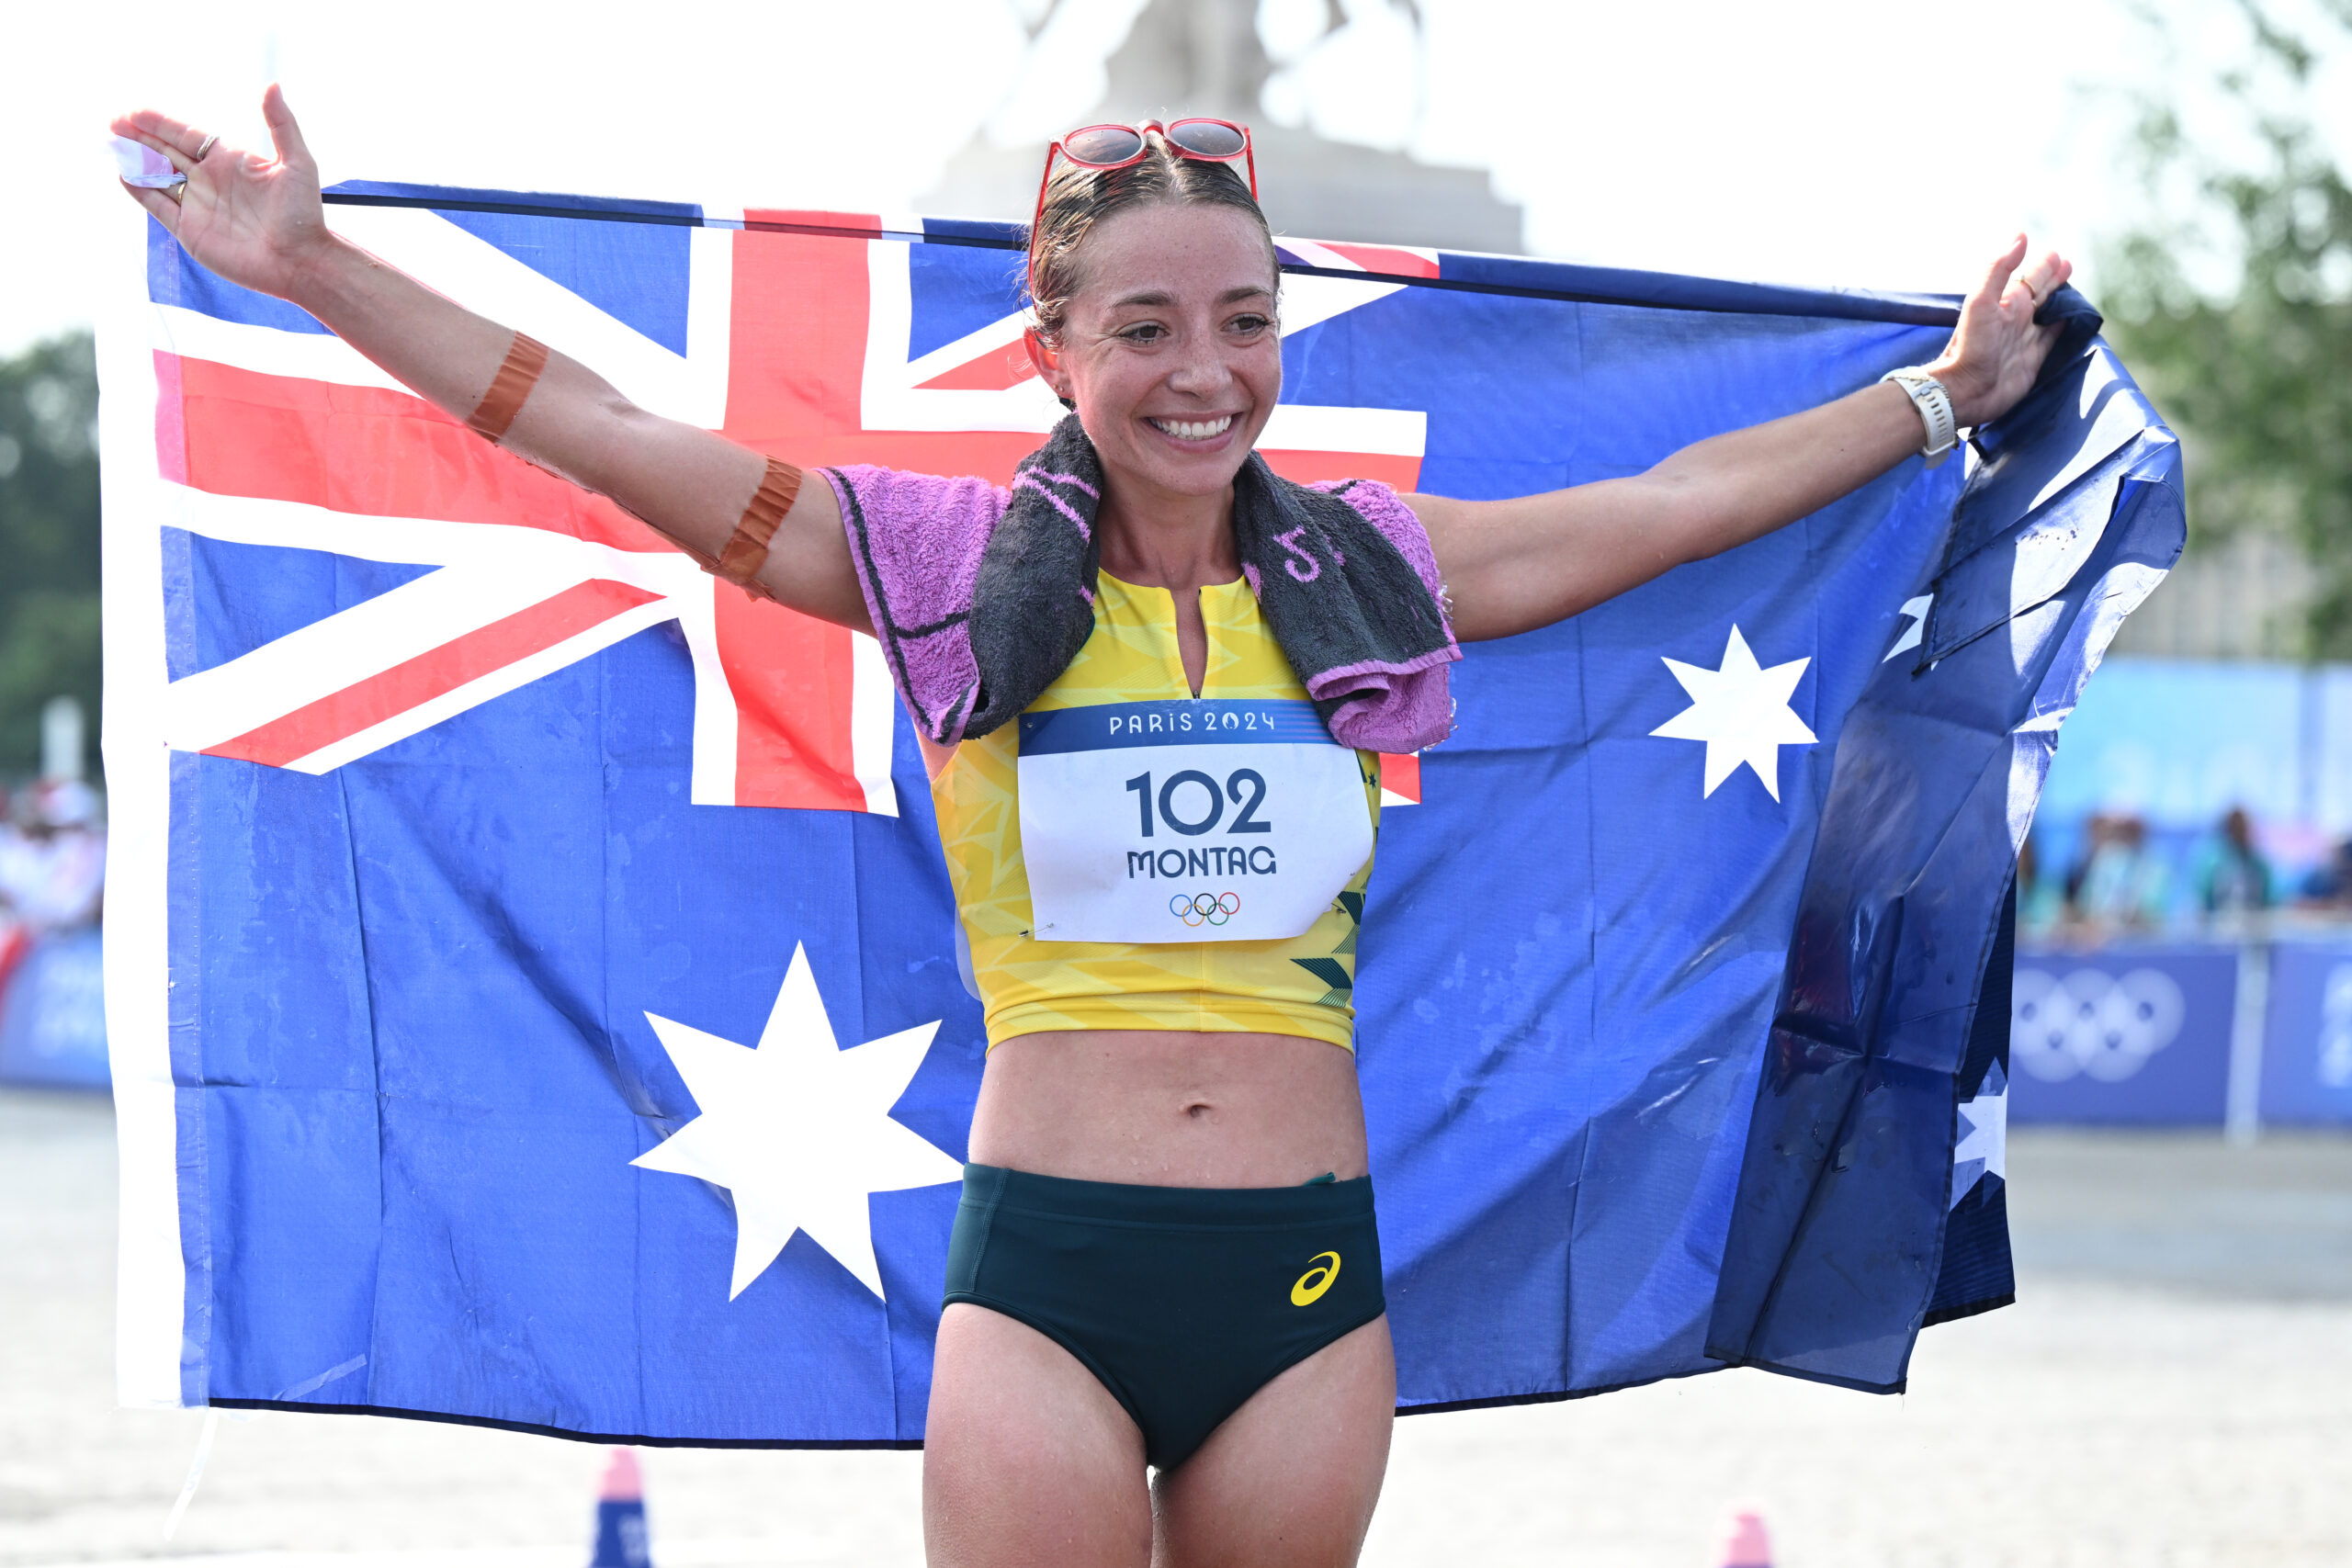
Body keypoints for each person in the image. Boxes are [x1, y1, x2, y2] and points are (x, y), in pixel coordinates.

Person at [115, 91, 2071, 1568]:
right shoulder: (936, 566)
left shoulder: (1374, 576)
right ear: (1051, 343)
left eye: (1242, 319)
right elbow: (610, 437)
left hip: (1303, 1290)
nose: (1203, 370)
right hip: (1047, 1275)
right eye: (1143, 326)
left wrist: (1940, 396)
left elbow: (1681, 498)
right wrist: (304, 264)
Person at [2191, 805, 2272, 918]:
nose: (2240, 833)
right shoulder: (2213, 863)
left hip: (2254, 925)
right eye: (2235, 828)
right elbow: (2204, 900)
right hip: (2218, 925)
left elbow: (2269, 901)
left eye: (2242, 828)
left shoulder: (2259, 864)